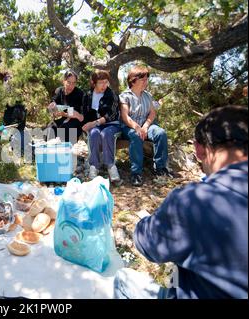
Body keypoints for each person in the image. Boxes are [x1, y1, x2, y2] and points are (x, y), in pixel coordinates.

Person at [114, 105, 248, 299]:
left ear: (200, 150)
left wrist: (151, 221)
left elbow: (147, 244)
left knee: (123, 278)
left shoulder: (195, 201)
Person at [119, 66, 171, 187]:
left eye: (147, 79)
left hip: (146, 126)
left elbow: (152, 112)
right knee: (136, 136)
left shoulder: (147, 95)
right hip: (130, 127)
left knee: (160, 133)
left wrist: (146, 126)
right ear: (133, 80)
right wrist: (137, 128)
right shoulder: (125, 96)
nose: (146, 82)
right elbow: (125, 116)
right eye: (143, 80)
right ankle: (136, 173)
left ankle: (160, 168)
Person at [82, 70, 121, 183]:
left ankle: (111, 166)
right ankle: (94, 166)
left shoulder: (111, 94)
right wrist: (87, 124)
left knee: (106, 134)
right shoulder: (88, 95)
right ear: (94, 83)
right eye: (100, 82)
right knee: (94, 133)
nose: (104, 85)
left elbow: (111, 114)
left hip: (111, 124)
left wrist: (94, 123)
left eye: (106, 82)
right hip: (95, 125)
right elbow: (85, 113)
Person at [47, 70, 85, 143]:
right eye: (68, 82)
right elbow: (53, 101)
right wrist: (53, 106)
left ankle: (66, 152)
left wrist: (62, 113)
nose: (71, 85)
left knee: (66, 128)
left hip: (74, 120)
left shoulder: (79, 94)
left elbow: (73, 113)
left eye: (73, 83)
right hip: (61, 119)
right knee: (51, 127)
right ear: (64, 81)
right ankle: (51, 152)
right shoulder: (59, 91)